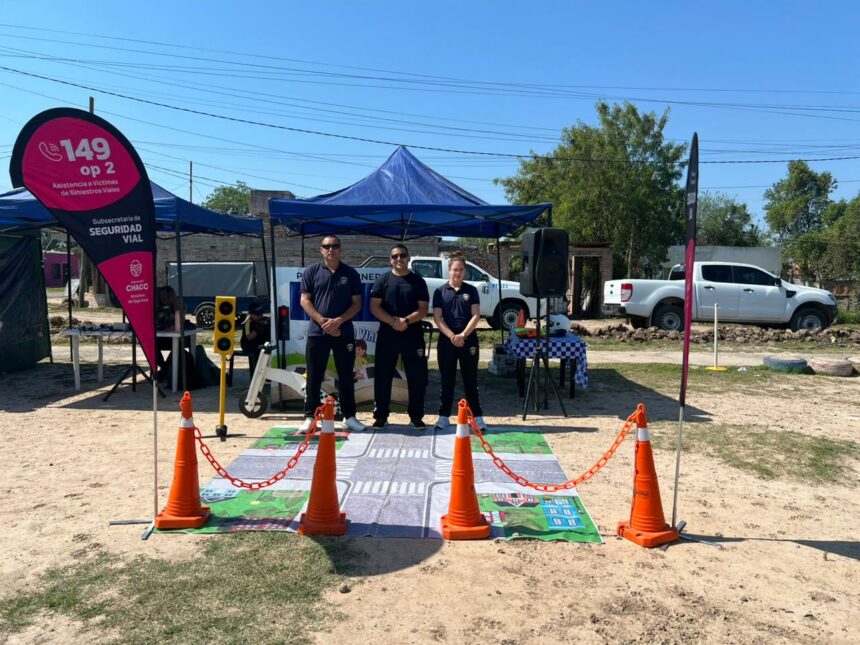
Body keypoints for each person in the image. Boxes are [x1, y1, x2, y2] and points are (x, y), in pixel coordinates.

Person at [299, 234, 366, 433]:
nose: (331, 249)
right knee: (314, 376)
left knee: (346, 376)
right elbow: (305, 300)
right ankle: (310, 418)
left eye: (335, 246)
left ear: (340, 249)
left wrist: (339, 321)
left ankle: (349, 416)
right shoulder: (311, 272)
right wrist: (322, 321)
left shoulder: (350, 273)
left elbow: (357, 304)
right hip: (317, 333)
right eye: (327, 246)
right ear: (321, 250)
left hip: (343, 332)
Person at [369, 243, 429, 429]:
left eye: (402, 256)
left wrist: (406, 322)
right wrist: (393, 322)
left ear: (408, 258)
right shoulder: (383, 280)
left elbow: (423, 309)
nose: (399, 259)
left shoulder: (418, 281)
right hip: (388, 334)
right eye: (395, 256)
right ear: (390, 260)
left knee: (416, 377)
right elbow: (374, 307)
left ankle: (416, 416)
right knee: (383, 376)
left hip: (413, 334)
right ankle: (381, 416)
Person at [432, 254, 486, 431]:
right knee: (447, 380)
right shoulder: (440, 291)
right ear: (449, 270)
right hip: (447, 341)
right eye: (455, 269)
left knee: (470, 379)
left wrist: (462, 335)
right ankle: (443, 416)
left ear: (465, 272)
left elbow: (476, 315)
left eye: (461, 270)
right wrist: (452, 336)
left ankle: (477, 417)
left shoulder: (471, 290)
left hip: (468, 339)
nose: (458, 273)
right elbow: (438, 318)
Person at [240, 302, 270, 376]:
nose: (261, 316)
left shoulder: (264, 320)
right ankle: (256, 374)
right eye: (258, 315)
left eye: (261, 314)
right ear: (251, 314)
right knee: (260, 351)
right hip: (248, 345)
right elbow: (249, 337)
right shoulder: (248, 322)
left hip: (260, 343)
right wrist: (258, 328)